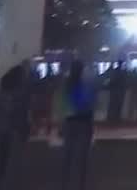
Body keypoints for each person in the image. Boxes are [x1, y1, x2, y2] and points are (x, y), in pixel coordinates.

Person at [60, 60, 96, 190]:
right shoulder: (85, 85)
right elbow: (88, 106)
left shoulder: (66, 85)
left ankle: (64, 184)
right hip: (83, 122)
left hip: (70, 122)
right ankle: (80, 184)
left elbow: (62, 106)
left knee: (67, 157)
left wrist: (61, 123)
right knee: (82, 159)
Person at [0, 64, 31, 189]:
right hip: (13, 131)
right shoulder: (18, 94)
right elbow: (15, 113)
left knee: (3, 163)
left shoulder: (1, 93)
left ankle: (0, 184)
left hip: (2, 131)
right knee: (12, 164)